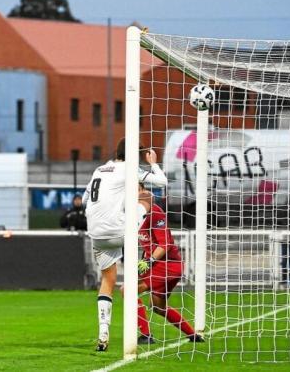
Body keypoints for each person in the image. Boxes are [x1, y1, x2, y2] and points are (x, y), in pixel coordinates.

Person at [83, 139, 167, 352]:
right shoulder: (129, 169)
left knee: (107, 279)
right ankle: (142, 253)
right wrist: (153, 163)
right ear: (135, 155)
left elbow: (85, 199)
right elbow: (162, 182)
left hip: (96, 232)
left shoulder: (99, 169)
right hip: (121, 231)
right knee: (146, 196)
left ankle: (103, 332)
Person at [131, 186, 204, 344]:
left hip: (167, 265)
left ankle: (146, 336)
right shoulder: (135, 214)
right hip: (166, 265)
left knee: (128, 291)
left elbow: (164, 245)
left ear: (143, 191)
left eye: (137, 189)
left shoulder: (154, 212)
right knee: (158, 307)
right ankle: (193, 336)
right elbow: (148, 242)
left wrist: (149, 261)